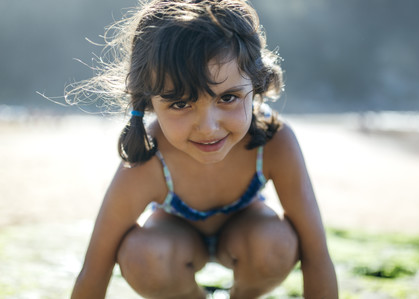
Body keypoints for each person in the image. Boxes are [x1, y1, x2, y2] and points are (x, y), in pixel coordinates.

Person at [70, 0, 338, 298]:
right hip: (170, 239)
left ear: (256, 83)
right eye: (181, 103)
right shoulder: (148, 159)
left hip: (250, 235)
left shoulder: (274, 142)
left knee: (276, 243)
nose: (208, 127)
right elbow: (94, 270)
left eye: (228, 98)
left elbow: (317, 256)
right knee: (142, 255)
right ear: (148, 101)